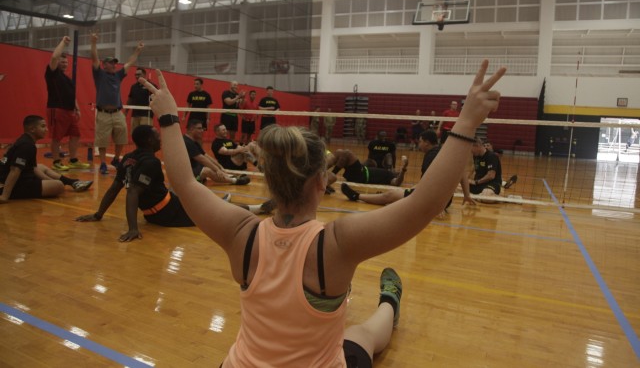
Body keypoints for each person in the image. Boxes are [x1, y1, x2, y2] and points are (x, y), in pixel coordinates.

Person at [137, 59, 505, 366]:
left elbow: (185, 184)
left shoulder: (241, 234)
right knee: (359, 335)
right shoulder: (335, 244)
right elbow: (424, 204)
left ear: (269, 179)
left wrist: (168, 118)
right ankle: (390, 301)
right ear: (320, 181)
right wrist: (467, 123)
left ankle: (388, 303)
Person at [75, 125, 196, 241]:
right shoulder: (151, 162)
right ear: (150, 140)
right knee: (206, 217)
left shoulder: (128, 157)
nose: (160, 138)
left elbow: (115, 188)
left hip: (153, 215)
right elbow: (132, 192)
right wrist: (133, 229)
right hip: (168, 213)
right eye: (157, 135)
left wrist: (98, 214)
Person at [341, 130, 475, 212]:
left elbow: (432, 183)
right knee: (400, 192)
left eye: (420, 141)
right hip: (444, 200)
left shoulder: (431, 156)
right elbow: (461, 172)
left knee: (390, 196)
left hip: (432, 201)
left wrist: (438, 206)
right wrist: (466, 195)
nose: (418, 144)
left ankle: (357, 196)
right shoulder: (444, 151)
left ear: (427, 142)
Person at [0, 115, 92, 203]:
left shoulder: (27, 140)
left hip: (17, 177)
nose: (46, 130)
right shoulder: (26, 145)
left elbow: (34, 168)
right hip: (10, 183)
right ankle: (7, 192)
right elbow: (15, 170)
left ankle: (72, 182)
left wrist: (49, 180)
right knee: (59, 186)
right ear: (32, 129)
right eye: (43, 126)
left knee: (41, 167)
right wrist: (5, 196)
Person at [90, 32, 144, 174]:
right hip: (103, 113)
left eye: (115, 62)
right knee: (102, 140)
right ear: (104, 65)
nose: (114, 65)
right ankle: (102, 163)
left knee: (122, 137)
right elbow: (94, 58)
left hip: (117, 112)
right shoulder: (99, 74)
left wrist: (137, 50)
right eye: (111, 63)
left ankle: (116, 159)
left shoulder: (118, 75)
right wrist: (94, 42)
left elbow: (130, 62)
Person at [45, 36, 90, 171]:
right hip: (57, 109)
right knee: (56, 137)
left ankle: (73, 160)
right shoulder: (52, 73)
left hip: (70, 111)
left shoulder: (67, 78)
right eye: (62, 62)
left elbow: (71, 95)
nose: (64, 64)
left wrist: (77, 108)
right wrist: (63, 43)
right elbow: (53, 58)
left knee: (76, 135)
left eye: (66, 62)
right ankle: (56, 161)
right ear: (57, 63)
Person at [184, 120, 250, 186]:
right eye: (199, 128)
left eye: (202, 128)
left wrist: (219, 167)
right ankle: (235, 180)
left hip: (194, 167)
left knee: (211, 166)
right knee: (207, 170)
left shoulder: (194, 142)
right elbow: (202, 159)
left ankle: (229, 176)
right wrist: (216, 169)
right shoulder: (187, 142)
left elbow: (206, 156)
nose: (202, 131)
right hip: (186, 172)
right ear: (191, 129)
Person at [329, 148, 408, 187]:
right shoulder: (385, 170)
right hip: (361, 171)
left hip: (361, 176)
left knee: (347, 153)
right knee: (340, 152)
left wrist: (403, 169)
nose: (397, 170)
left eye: (398, 172)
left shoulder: (390, 176)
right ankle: (321, 173)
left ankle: (330, 176)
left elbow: (397, 183)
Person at [126, 67, 154, 131]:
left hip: (146, 114)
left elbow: (157, 99)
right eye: (135, 74)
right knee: (135, 134)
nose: (137, 76)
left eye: (139, 74)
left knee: (145, 134)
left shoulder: (151, 85)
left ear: (144, 75)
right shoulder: (134, 87)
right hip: (135, 115)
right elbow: (130, 99)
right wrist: (126, 111)